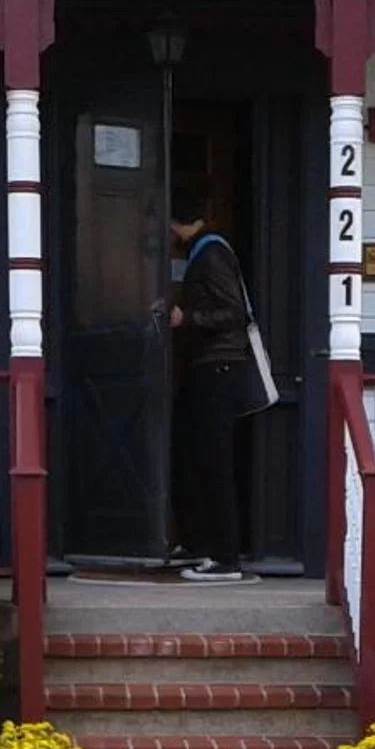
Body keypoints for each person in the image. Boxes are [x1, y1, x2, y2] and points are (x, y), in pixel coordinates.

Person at [168, 206, 257, 584]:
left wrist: (187, 319)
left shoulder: (211, 253)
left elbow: (234, 312)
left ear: (178, 221)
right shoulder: (204, 252)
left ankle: (225, 557)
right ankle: (201, 545)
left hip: (219, 367)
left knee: (216, 463)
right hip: (210, 367)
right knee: (197, 458)